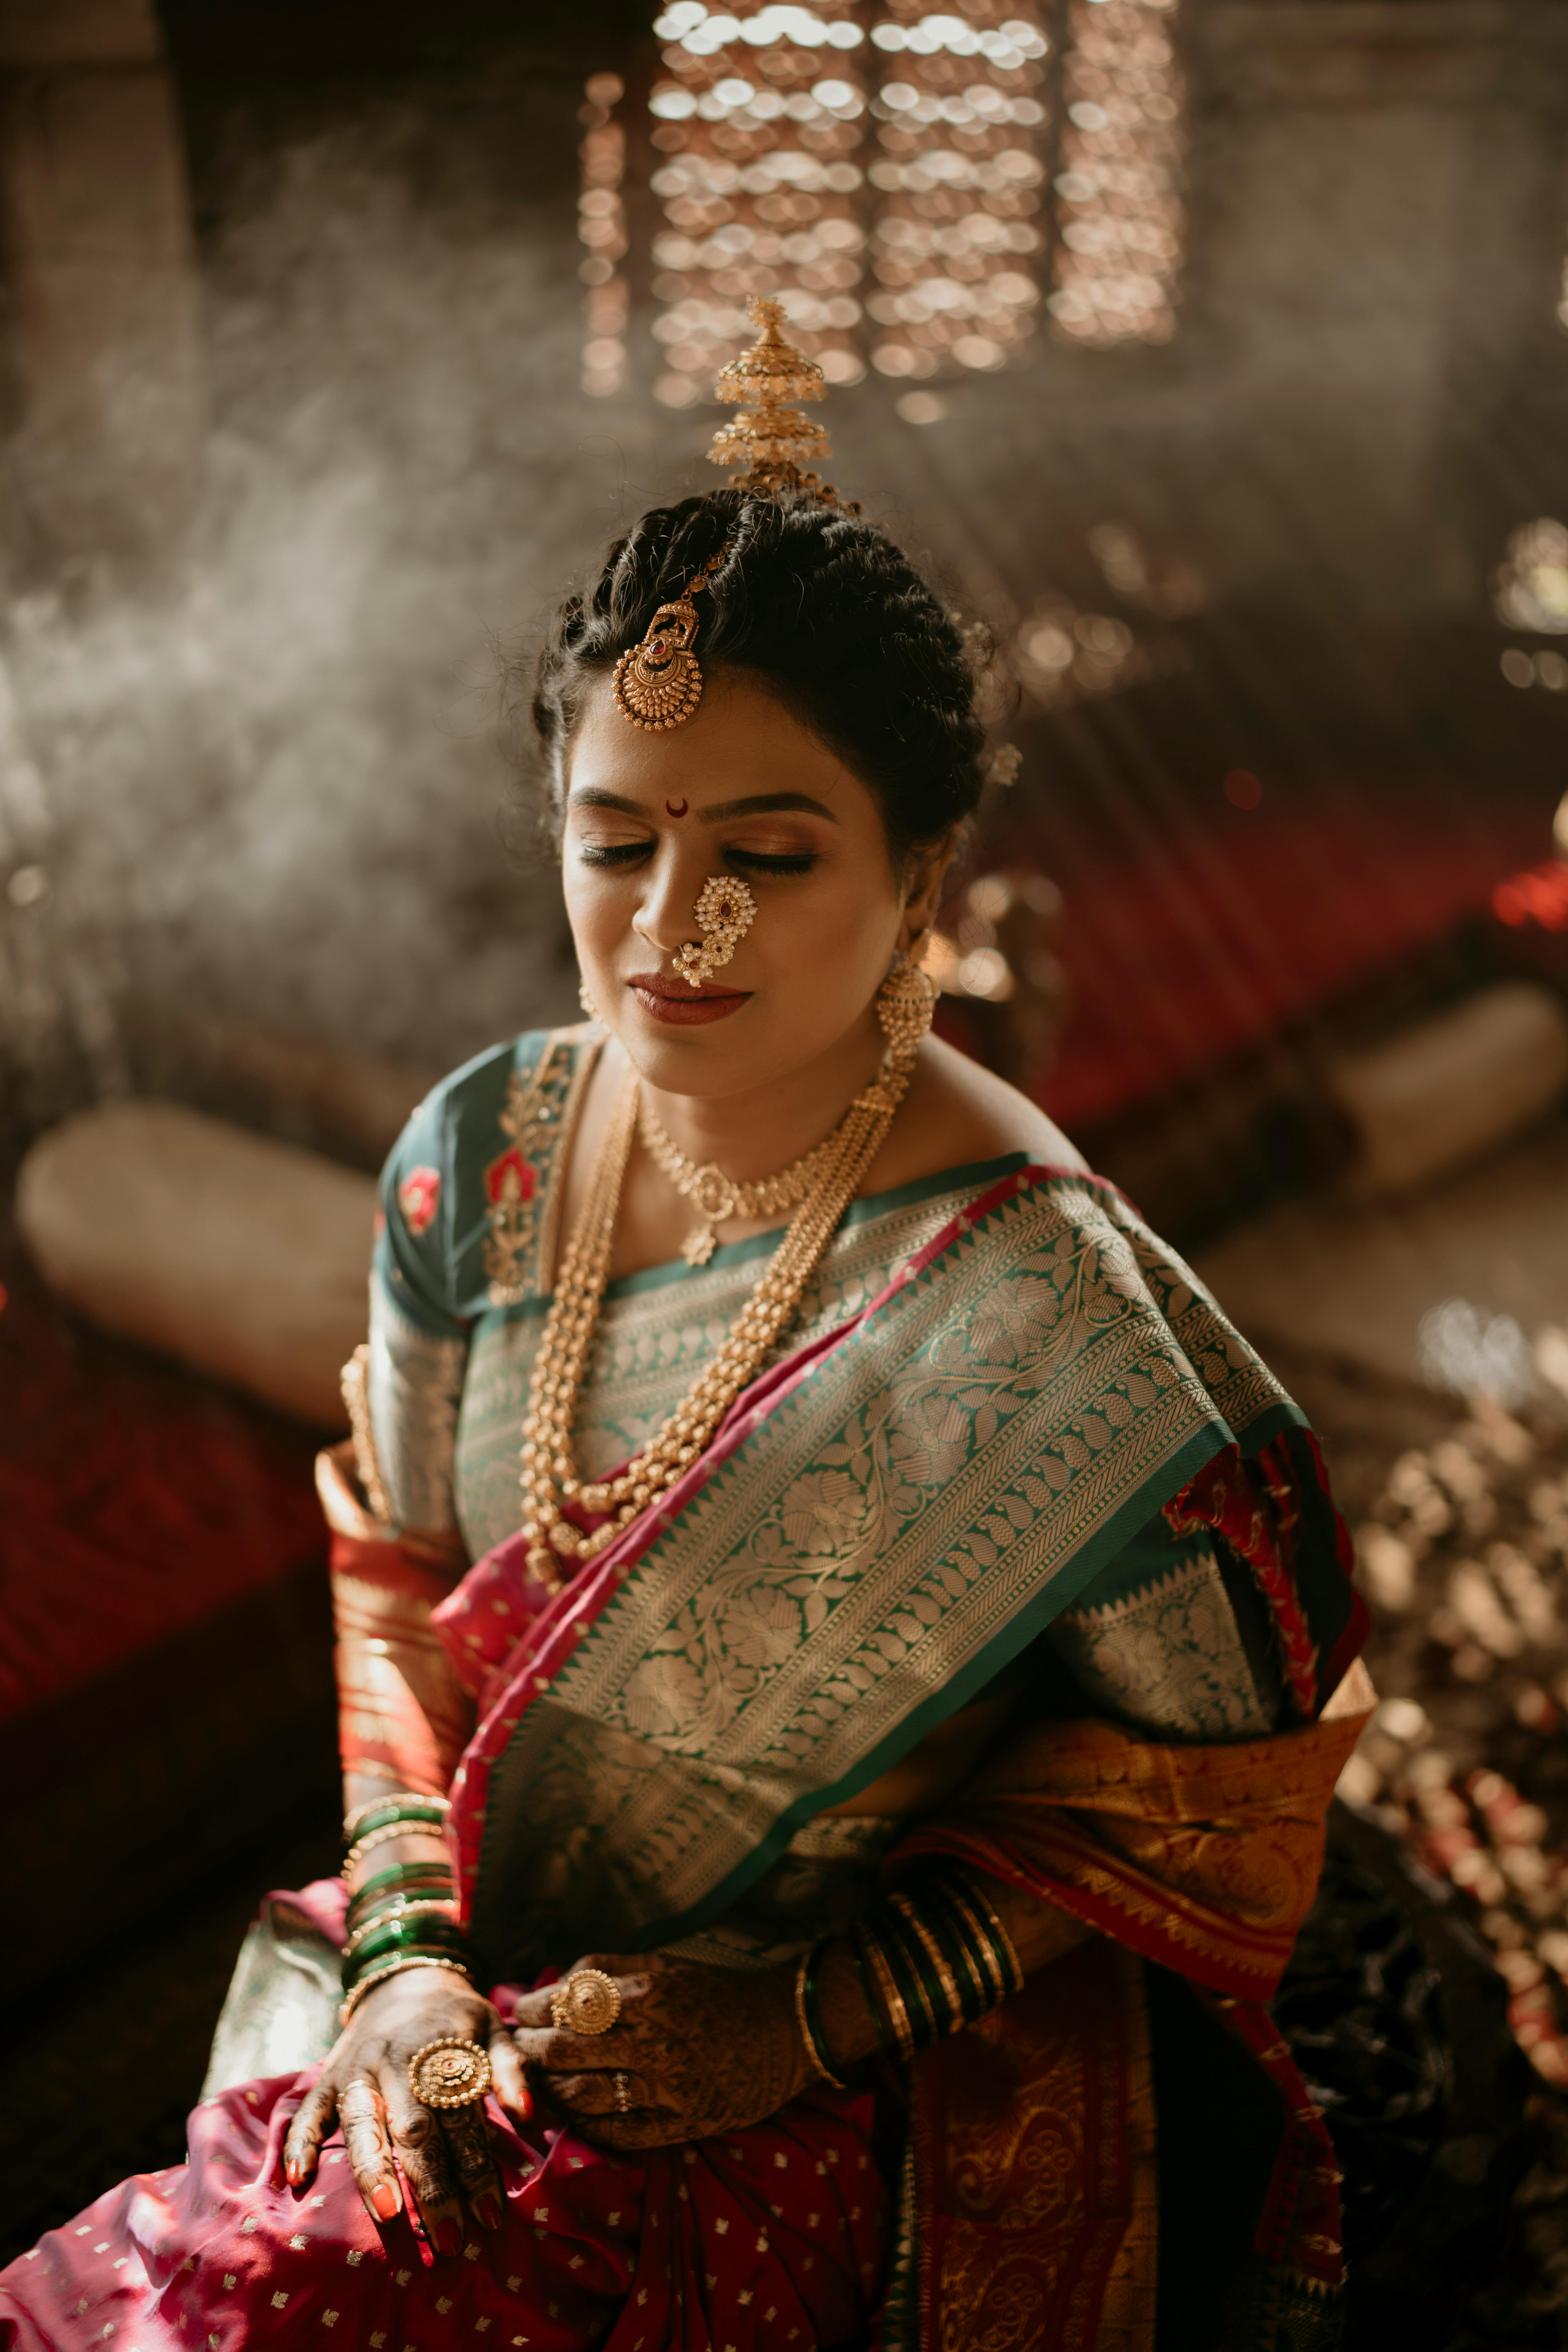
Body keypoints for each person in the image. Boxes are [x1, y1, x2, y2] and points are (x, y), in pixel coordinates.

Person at [1, 300, 1371, 2352]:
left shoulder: (1052, 1320)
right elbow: (391, 1571)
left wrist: (809, 2014)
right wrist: (401, 1954)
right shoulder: (480, 1157)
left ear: (927, 881)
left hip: (850, 2074)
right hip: (469, 1994)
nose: (671, 932)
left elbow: (1220, 1817)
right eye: (616, 844)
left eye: (769, 855)